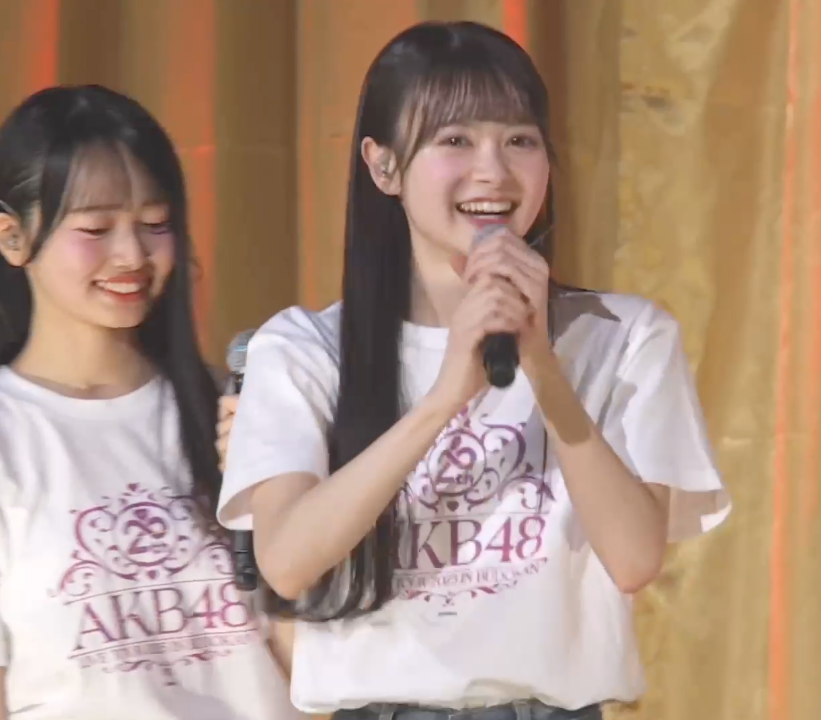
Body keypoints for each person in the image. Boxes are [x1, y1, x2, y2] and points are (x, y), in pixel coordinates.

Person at [217, 21, 732, 720]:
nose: (493, 171)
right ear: (383, 166)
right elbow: (287, 561)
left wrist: (543, 367)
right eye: (455, 140)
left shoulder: (625, 336)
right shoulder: (305, 349)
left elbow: (635, 559)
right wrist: (443, 397)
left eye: (520, 140)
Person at [0, 85, 300, 720]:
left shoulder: (233, 416)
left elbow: (304, 661)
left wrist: (282, 493)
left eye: (155, 224)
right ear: (11, 238)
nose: (132, 255)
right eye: (95, 228)